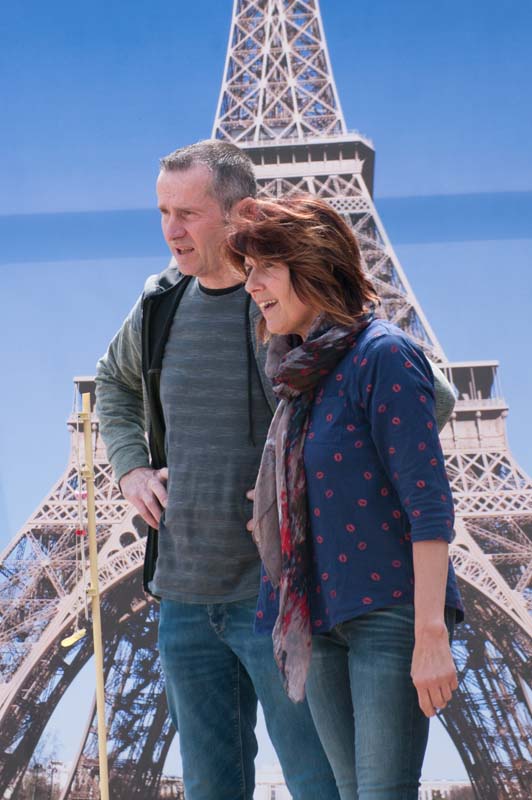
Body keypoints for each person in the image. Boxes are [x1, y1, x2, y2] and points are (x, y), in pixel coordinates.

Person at [94, 140, 343, 800]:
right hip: (182, 597)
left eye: (188, 213)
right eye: (163, 212)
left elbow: (416, 393)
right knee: (209, 789)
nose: (171, 230)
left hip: (278, 593)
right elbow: (113, 384)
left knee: (321, 784)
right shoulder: (158, 305)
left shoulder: (290, 297)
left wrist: (308, 477)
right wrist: (131, 469)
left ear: (240, 212)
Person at [224, 193, 464, 800]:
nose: (250, 285)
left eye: (265, 268)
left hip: (387, 615)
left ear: (311, 263)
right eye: (247, 270)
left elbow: (428, 506)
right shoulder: (300, 375)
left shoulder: (384, 355)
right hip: (320, 620)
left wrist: (431, 634)